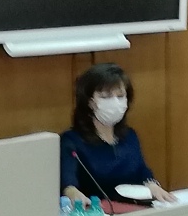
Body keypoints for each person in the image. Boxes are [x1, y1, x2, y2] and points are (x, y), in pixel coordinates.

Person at [58, 64, 174, 204]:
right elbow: (68, 183)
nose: (115, 102)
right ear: (90, 102)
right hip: (96, 212)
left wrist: (153, 186)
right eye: (106, 96)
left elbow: (142, 172)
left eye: (120, 96)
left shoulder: (129, 136)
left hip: (135, 210)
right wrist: (72, 193)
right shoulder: (71, 141)